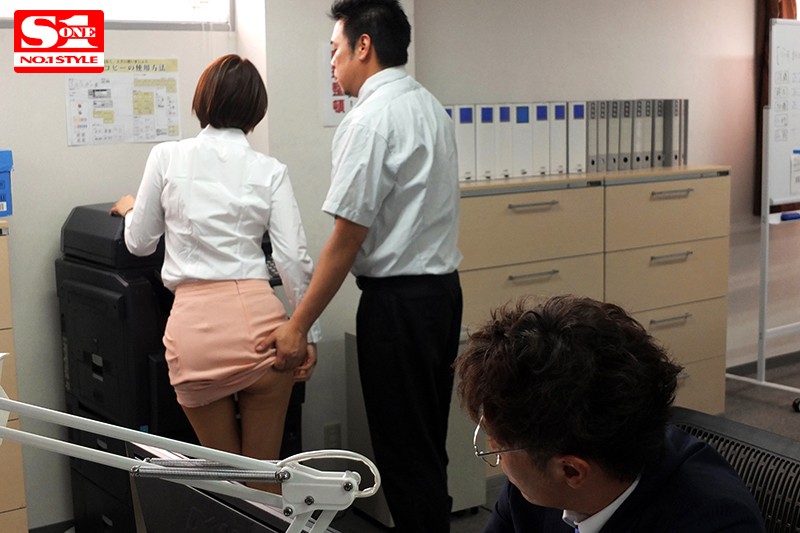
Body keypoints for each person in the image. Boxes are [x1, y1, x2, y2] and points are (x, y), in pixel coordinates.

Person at [258, 0, 463, 529]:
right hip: (441, 296)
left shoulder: (370, 120)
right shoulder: (429, 107)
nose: (332, 62)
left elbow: (346, 239)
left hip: (398, 307)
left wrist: (298, 324)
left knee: (403, 453)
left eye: (335, 49)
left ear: (363, 46)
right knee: (426, 444)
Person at [110, 54, 321, 491]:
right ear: (256, 110)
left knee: (224, 484)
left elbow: (139, 243)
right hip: (262, 329)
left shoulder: (166, 157)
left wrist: (130, 208)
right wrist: (306, 331)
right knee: (263, 480)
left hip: (195, 335)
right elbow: (293, 258)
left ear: (202, 100)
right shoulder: (270, 170)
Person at [455, 295, 766, 533]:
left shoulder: (716, 524)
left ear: (572, 471)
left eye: (499, 448)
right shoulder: (533, 485)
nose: (496, 451)